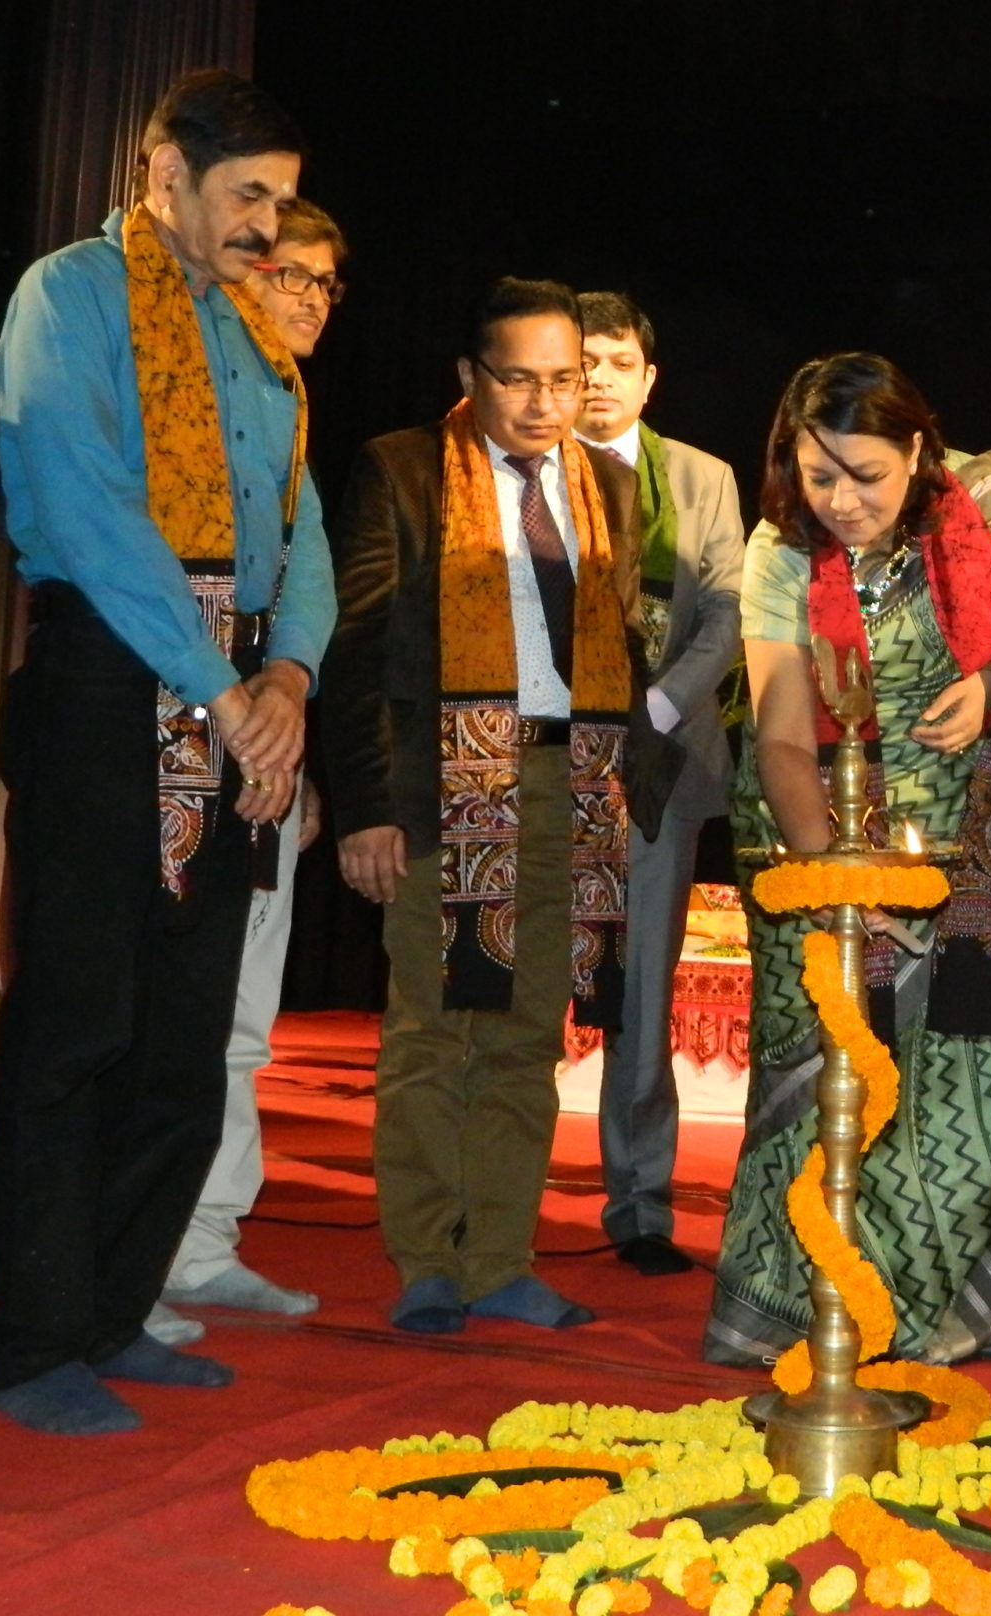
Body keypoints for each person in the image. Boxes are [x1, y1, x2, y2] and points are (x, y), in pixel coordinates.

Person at [0, 69, 332, 1435]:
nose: (267, 227)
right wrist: (219, 687)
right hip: (105, 680)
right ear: (162, 173)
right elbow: (86, 509)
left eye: (283, 201)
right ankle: (33, 1341)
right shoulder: (68, 297)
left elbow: (299, 533)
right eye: (246, 194)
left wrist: (286, 676)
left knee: (185, 1036)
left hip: (234, 686)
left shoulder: (257, 338)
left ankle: (116, 1310)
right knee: (78, 1021)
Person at [705, 352, 991, 1368]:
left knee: (958, 1097)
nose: (842, 501)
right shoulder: (781, 547)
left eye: (867, 476)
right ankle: (809, 1312)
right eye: (819, 475)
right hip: (819, 839)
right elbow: (781, 736)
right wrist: (838, 880)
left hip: (965, 872)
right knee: (831, 1077)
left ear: (919, 451)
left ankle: (935, 1325)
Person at [322, 277, 648, 1335]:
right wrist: (369, 805)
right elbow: (357, 644)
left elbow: (620, 638)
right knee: (435, 1030)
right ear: (471, 375)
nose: (546, 402)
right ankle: (427, 1260)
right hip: (449, 778)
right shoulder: (405, 468)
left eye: (565, 379)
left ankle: (501, 1258)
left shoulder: (609, 483)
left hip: (568, 782)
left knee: (526, 1035)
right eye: (520, 379)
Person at [149, 198, 352, 1343]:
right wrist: (239, 704)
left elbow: (308, 574)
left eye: (326, 282)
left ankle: (205, 1243)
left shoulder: (286, 412)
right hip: (171, 722)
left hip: (260, 736)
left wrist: (285, 694)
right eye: (290, 275)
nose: (310, 298)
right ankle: (136, 1250)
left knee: (241, 1019)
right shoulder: (177, 394)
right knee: (165, 1003)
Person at [572, 290, 746, 1277]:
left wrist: (653, 713)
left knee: (641, 994)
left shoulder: (699, 476)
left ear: (648, 378)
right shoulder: (524, 468)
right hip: (536, 759)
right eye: (582, 361)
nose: (597, 378)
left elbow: (726, 614)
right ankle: (486, 1203)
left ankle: (639, 1203)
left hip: (658, 764)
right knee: (510, 984)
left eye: (616, 362)